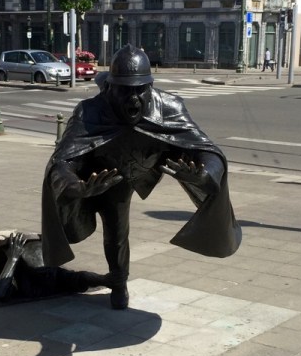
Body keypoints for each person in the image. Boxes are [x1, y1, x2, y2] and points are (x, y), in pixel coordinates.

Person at [41, 45, 241, 310]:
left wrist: (204, 175)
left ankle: (118, 280)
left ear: (151, 86)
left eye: (140, 89)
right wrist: (74, 186)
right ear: (110, 88)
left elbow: (207, 150)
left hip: (145, 164)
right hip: (106, 174)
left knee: (117, 229)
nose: (133, 98)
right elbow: (62, 162)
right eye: (125, 90)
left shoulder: (169, 106)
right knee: (116, 230)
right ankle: (119, 281)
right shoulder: (89, 112)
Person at [0, 231, 113, 302]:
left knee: (68, 277)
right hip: (19, 266)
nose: (48, 275)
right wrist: (12, 259)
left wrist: (106, 280)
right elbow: (0, 295)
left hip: (41, 271)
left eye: (48, 272)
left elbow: (81, 277)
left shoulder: (55, 275)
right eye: (43, 274)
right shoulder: (19, 277)